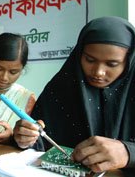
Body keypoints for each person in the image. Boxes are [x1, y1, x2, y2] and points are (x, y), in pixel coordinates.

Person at [13, 16, 135, 174]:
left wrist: (128, 152)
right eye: (90, 60)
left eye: (112, 64)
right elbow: (40, 144)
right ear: (79, 54)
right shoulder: (60, 89)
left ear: (129, 60)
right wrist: (24, 138)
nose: (98, 72)